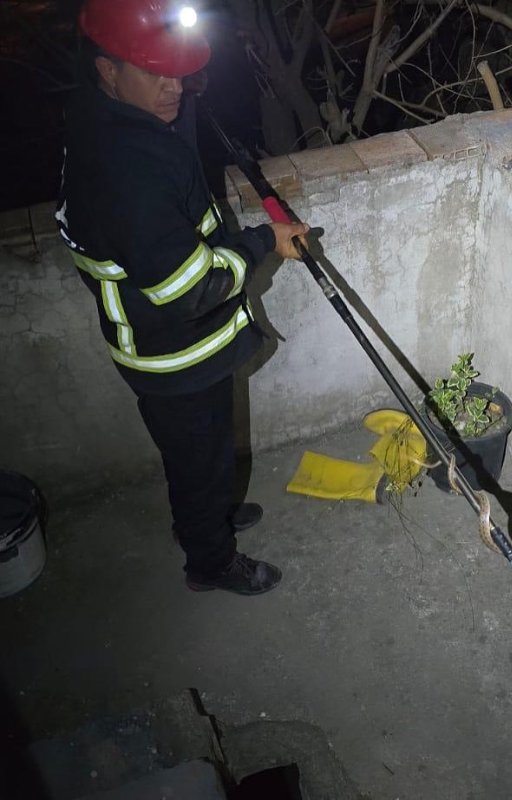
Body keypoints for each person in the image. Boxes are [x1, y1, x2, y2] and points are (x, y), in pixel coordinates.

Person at [55, 0, 309, 595]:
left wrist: (171, 98)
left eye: (179, 73)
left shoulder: (106, 121)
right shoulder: (128, 169)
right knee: (200, 461)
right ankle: (210, 561)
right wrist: (265, 241)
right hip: (173, 353)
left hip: (166, 343)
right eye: (156, 74)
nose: (175, 88)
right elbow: (189, 289)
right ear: (108, 70)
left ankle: (207, 516)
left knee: (198, 458)